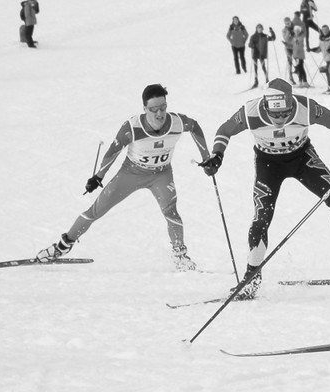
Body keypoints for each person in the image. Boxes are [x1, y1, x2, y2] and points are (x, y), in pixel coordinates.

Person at [201, 79, 330, 299]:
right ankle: (251, 279)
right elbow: (224, 130)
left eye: (286, 113)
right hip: (268, 164)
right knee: (262, 217)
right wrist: (217, 155)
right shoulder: (250, 112)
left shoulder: (306, 108)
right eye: (276, 115)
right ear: (266, 106)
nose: (281, 119)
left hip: (302, 158)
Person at [36, 85, 214, 271]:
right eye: (154, 109)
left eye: (163, 107)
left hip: (161, 174)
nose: (160, 113)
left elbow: (195, 127)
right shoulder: (132, 127)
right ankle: (60, 247)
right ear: (145, 108)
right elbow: (113, 151)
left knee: (171, 213)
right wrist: (98, 176)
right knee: (95, 211)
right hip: (132, 173)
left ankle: (180, 257)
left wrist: (206, 158)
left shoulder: (177, 122)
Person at [310, 24, 330, 94]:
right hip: (326, 57)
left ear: (328, 30)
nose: (325, 31)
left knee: (328, 71)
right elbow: (320, 49)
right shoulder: (321, 38)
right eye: (323, 30)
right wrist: (312, 50)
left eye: (326, 30)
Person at [248, 24, 276, 89]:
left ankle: (267, 80)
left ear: (262, 29)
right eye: (258, 28)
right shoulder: (253, 36)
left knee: (263, 67)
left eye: (261, 28)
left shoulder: (265, 36)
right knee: (255, 68)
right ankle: (256, 82)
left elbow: (273, 38)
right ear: (256, 29)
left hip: (261, 54)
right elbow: (249, 44)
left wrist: (272, 31)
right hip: (255, 54)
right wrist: (251, 45)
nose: (259, 29)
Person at [280, 17, 296, 84]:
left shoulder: (295, 27)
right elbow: (285, 38)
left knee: (298, 61)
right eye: (286, 23)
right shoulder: (284, 30)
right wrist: (289, 32)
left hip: (295, 47)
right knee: (290, 62)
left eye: (288, 23)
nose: (287, 24)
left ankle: (299, 75)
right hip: (288, 47)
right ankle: (291, 77)